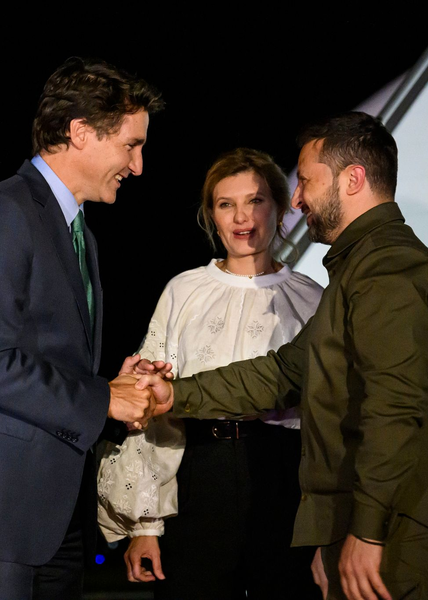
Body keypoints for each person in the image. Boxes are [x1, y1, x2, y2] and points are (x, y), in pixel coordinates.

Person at [139, 112, 428, 600]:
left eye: (307, 183)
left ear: (353, 179)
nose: (298, 199)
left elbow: (395, 409)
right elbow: (285, 372)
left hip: (394, 532)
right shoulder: (359, 270)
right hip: (373, 525)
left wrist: (368, 530)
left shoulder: (387, 269)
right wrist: (173, 392)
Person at [0, 57, 169, 600]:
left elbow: (47, 358)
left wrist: (112, 382)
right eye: (130, 144)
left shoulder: (79, 234)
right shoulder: (1, 212)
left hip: (48, 515)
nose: (138, 165)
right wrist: (102, 399)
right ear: (79, 133)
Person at [98, 148, 324, 599]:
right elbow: (152, 406)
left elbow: (329, 421)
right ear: (211, 216)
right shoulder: (184, 291)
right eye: (226, 204)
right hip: (199, 474)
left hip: (283, 480)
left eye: (256, 200)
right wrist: (146, 525)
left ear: (279, 209)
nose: (242, 217)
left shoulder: (311, 299)